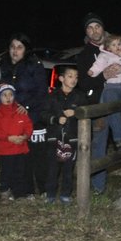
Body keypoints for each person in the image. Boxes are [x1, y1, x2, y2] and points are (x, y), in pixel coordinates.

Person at [0, 33, 49, 194]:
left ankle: (44, 188)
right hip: (9, 118)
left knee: (36, 155)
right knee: (15, 155)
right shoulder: (2, 66)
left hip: (32, 116)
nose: (15, 51)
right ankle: (19, 188)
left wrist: (27, 106)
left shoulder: (34, 65)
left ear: (26, 49)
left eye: (19, 47)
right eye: (12, 47)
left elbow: (41, 92)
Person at [37, 64, 87, 204]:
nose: (74, 80)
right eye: (70, 76)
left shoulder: (80, 97)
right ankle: (51, 194)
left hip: (71, 138)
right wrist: (55, 119)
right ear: (61, 78)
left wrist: (76, 113)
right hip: (54, 138)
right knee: (52, 168)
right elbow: (43, 114)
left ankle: (66, 194)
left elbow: (87, 112)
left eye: (76, 77)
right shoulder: (52, 96)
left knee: (68, 169)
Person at [74, 12, 111, 193]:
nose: (94, 30)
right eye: (90, 27)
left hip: (119, 101)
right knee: (98, 145)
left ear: (103, 28)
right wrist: (104, 75)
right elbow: (84, 83)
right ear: (86, 32)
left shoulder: (115, 47)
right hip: (97, 103)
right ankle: (98, 186)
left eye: (97, 26)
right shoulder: (84, 55)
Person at [88, 32, 121, 150]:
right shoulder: (104, 56)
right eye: (114, 45)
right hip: (111, 86)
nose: (117, 47)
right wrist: (92, 71)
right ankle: (120, 139)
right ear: (108, 47)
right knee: (111, 106)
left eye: (119, 44)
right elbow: (98, 65)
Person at [0, 83, 35, 200]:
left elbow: (28, 125)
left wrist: (25, 136)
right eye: (4, 95)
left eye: (10, 95)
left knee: (20, 171)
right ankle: (4, 190)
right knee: (7, 171)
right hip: (5, 150)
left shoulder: (20, 111)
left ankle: (19, 192)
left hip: (20, 148)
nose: (8, 98)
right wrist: (8, 138)